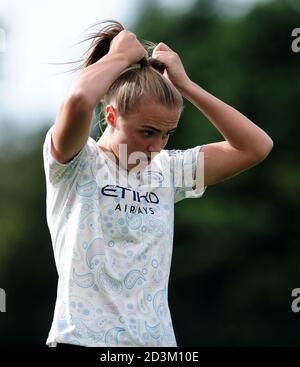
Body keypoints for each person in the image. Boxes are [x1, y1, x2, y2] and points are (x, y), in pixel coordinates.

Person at [42, 20, 273, 347]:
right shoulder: (76, 161)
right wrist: (119, 57)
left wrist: (187, 85)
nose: (157, 146)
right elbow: (80, 98)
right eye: (147, 132)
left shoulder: (167, 170)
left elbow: (255, 147)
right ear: (110, 116)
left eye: (167, 134)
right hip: (81, 341)